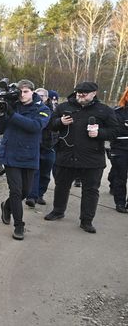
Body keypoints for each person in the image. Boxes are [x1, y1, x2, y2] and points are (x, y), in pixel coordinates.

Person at [44, 81, 119, 233]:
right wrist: (60, 122)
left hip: (92, 159)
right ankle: (58, 211)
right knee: (61, 186)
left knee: (90, 190)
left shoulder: (104, 110)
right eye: (78, 93)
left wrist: (100, 133)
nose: (80, 96)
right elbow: (50, 124)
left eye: (84, 94)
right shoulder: (64, 107)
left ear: (94, 94)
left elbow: (115, 131)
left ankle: (86, 220)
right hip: (66, 155)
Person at [0, 80, 51, 240]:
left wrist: (11, 113)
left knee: (26, 192)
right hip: (11, 155)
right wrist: (0, 113)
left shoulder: (42, 109)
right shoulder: (11, 105)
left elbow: (35, 126)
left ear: (32, 92)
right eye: (20, 91)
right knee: (16, 191)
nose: (22, 94)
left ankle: (7, 206)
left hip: (30, 155)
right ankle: (19, 225)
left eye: (25, 91)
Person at [25, 88, 58, 207]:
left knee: (45, 173)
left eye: (42, 96)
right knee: (34, 171)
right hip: (35, 145)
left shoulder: (53, 110)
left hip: (49, 145)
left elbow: (56, 126)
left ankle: (40, 194)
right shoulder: (31, 109)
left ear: (46, 98)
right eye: (37, 95)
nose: (39, 98)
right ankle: (32, 196)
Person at [108, 86, 128, 213]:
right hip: (120, 148)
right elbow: (113, 130)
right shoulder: (117, 112)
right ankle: (120, 202)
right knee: (120, 176)